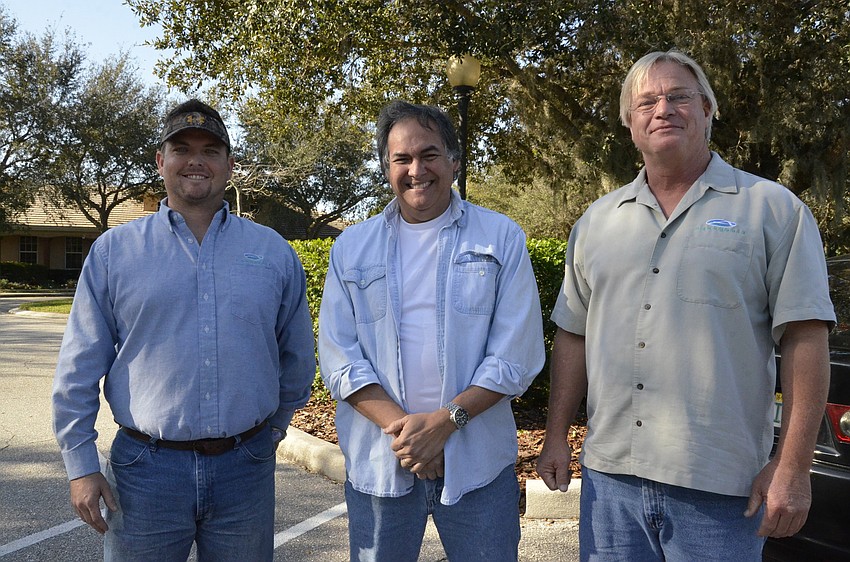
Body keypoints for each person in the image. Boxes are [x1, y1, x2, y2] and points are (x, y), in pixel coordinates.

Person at [536, 49, 836, 561]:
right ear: (630, 124)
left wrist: (793, 467)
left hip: (721, 491)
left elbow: (806, 338)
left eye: (679, 96)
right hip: (611, 484)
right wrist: (555, 435)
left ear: (707, 110)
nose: (663, 109)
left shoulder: (773, 209)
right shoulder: (597, 222)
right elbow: (573, 334)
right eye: (647, 101)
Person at [52, 99, 316, 561]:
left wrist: (270, 432)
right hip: (144, 471)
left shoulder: (273, 252)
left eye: (211, 150)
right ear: (161, 162)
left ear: (230, 165)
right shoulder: (115, 252)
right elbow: (79, 365)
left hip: (245, 471)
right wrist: (80, 465)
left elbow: (297, 358)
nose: (196, 160)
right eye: (182, 148)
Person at [318, 100, 545, 561]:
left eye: (430, 155)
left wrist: (443, 426)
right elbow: (339, 359)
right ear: (386, 168)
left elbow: (516, 356)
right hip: (383, 463)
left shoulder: (501, 238)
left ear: (455, 162)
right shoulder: (352, 247)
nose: (416, 169)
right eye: (402, 159)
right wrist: (412, 439)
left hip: (476, 464)